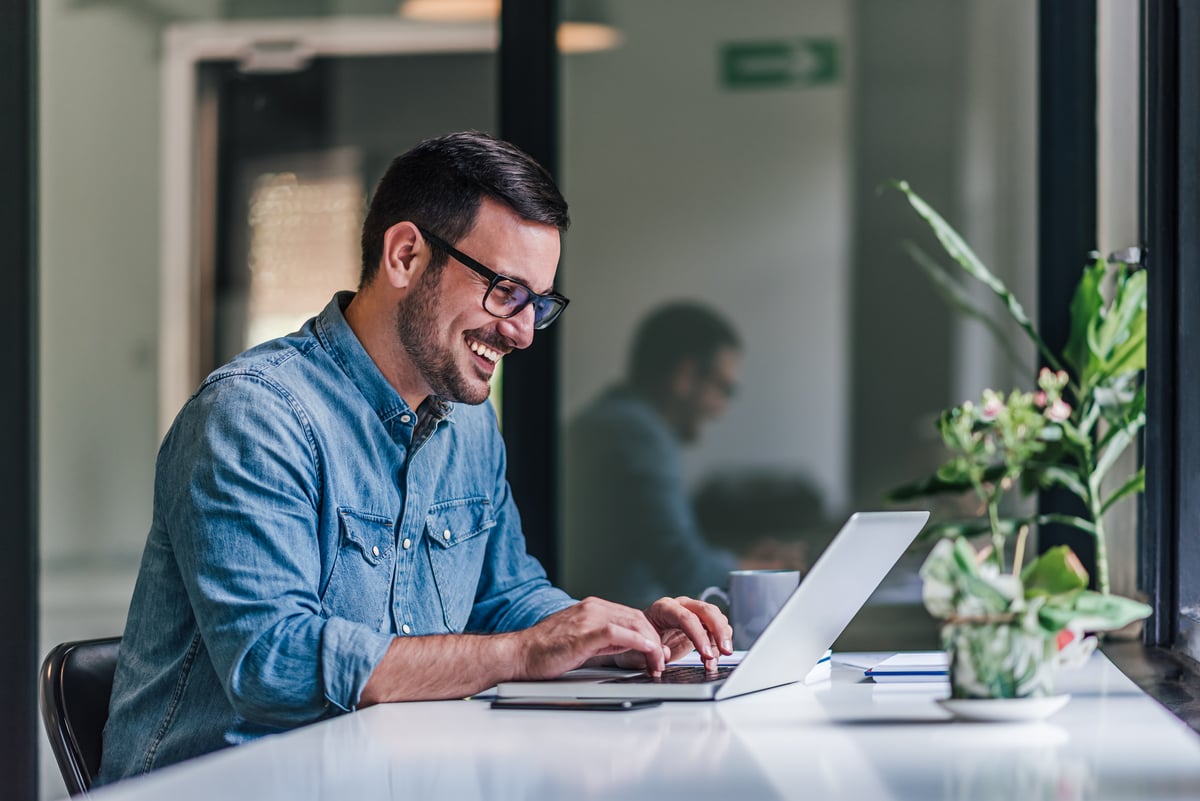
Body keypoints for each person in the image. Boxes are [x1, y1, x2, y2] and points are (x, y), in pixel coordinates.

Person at [97, 132, 731, 785]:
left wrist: (612, 640)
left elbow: (503, 594)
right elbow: (271, 662)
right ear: (405, 255)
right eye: (506, 290)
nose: (520, 331)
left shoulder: (470, 423)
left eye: (537, 305)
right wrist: (522, 653)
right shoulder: (254, 418)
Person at [564, 303, 800, 609]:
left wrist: (742, 559)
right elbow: (685, 569)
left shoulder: (610, 419)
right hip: (620, 627)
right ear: (685, 376)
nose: (721, 408)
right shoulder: (638, 435)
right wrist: (769, 570)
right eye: (723, 389)